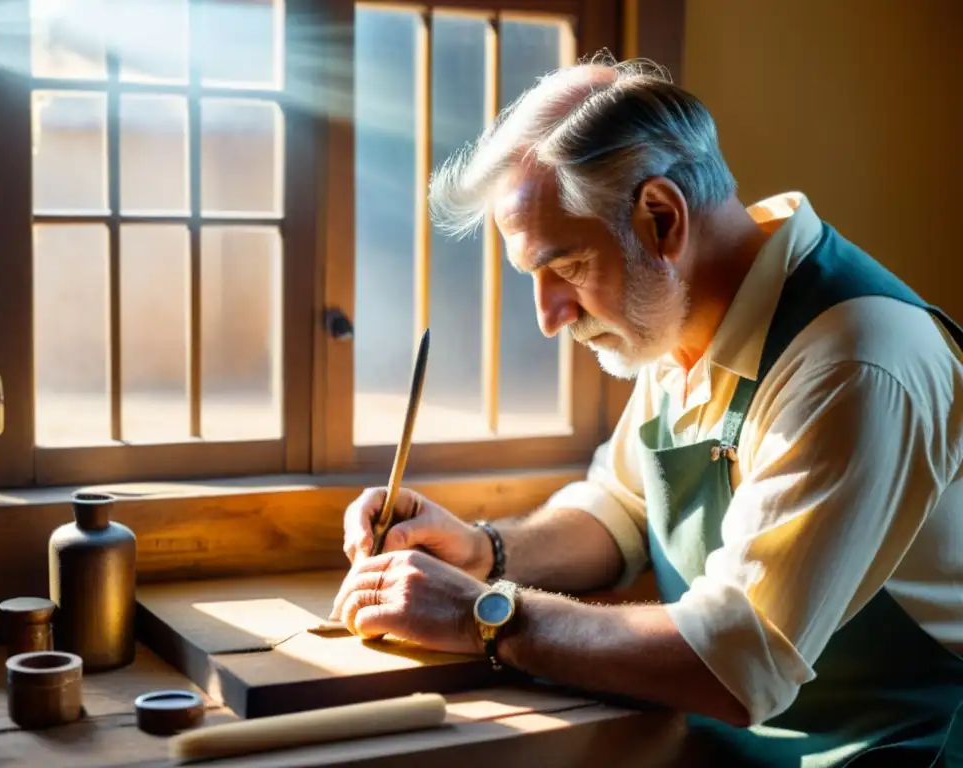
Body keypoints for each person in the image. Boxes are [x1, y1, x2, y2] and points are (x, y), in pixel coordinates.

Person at [330, 56, 963, 766]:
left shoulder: (855, 362)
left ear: (661, 219)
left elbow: (734, 659)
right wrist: (482, 550)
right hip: (734, 746)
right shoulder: (681, 315)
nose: (548, 316)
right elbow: (622, 508)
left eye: (565, 267)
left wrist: (480, 613)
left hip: (898, 751)